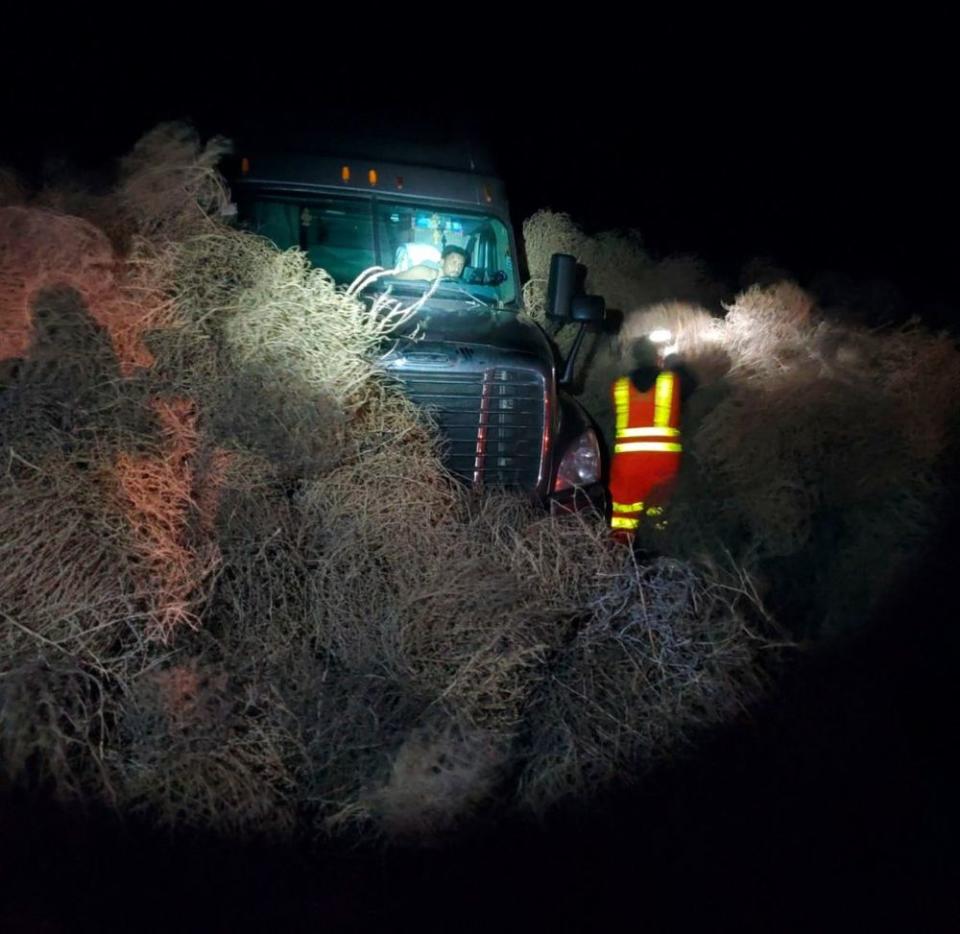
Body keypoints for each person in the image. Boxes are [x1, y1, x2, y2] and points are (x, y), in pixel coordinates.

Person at [608, 332, 686, 541]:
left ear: (634, 357)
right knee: (658, 515)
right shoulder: (671, 381)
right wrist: (673, 358)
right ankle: (658, 554)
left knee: (624, 516)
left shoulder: (619, 387)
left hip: (627, 465)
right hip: (663, 464)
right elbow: (690, 384)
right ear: (657, 356)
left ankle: (619, 558)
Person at [395, 244, 468, 282]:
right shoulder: (424, 273)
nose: (457, 268)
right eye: (454, 262)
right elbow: (393, 280)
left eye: (461, 265)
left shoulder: (459, 285)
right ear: (442, 262)